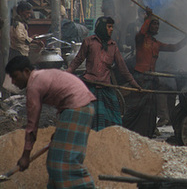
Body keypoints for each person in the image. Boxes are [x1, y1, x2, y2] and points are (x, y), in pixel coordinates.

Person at [5, 56, 96, 187]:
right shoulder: (40, 76)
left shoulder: (33, 86)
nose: (13, 82)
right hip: (77, 107)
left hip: (77, 108)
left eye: (15, 76)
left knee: (63, 164)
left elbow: (32, 124)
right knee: (54, 159)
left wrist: (26, 155)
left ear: (26, 71)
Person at [122, 8, 187, 137]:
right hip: (141, 77)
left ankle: (148, 131)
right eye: (153, 24)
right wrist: (148, 18)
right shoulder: (140, 39)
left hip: (151, 78)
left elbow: (173, 48)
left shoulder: (156, 43)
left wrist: (186, 40)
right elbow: (142, 32)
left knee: (151, 109)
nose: (156, 26)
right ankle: (126, 129)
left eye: (157, 24)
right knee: (136, 107)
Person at [67, 16, 141, 131]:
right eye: (109, 27)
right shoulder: (89, 42)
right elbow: (77, 60)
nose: (111, 29)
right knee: (84, 117)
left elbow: (122, 68)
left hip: (106, 87)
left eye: (112, 27)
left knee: (115, 119)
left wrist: (133, 83)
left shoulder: (113, 46)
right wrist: (67, 74)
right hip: (89, 85)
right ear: (102, 27)